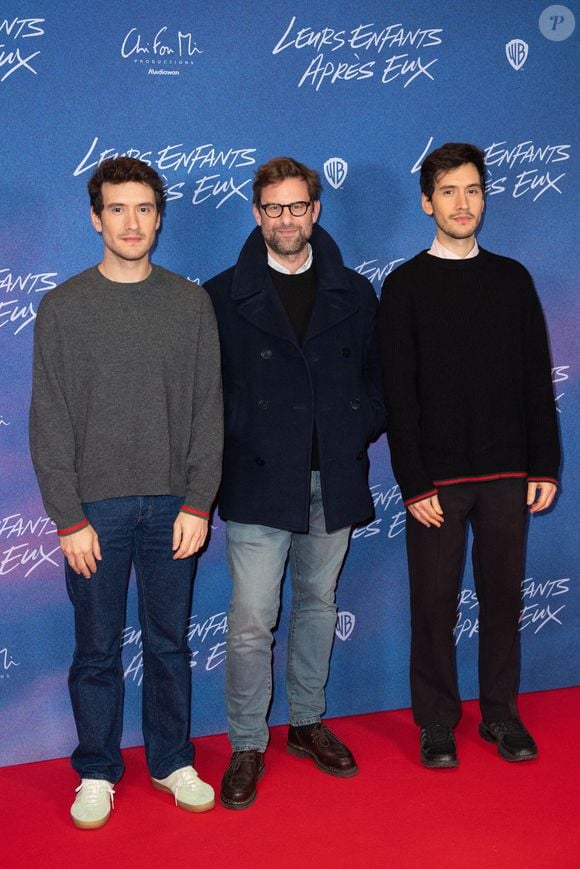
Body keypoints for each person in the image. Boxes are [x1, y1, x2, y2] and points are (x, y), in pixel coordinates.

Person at [29, 157, 223, 828]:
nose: (131, 221)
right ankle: (96, 768)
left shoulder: (190, 303)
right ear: (96, 217)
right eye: (117, 208)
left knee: (169, 641)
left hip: (174, 506)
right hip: (94, 514)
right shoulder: (62, 307)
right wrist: (67, 517)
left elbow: (207, 411)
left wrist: (199, 502)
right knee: (97, 647)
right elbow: (48, 418)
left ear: (160, 215)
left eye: (143, 208)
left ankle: (171, 759)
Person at [205, 156, 385, 809]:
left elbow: (376, 378)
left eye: (297, 206)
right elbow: (209, 394)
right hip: (258, 481)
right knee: (252, 617)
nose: (286, 218)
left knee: (317, 604)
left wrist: (358, 425)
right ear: (258, 214)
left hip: (331, 477)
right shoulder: (222, 294)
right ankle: (248, 743)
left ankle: (307, 722)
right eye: (273, 208)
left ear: (315, 211)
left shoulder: (356, 292)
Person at [379, 142, 560, 769]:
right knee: (432, 605)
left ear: (485, 198)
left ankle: (501, 715)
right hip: (437, 483)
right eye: (450, 191)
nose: (463, 203)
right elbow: (397, 397)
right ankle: (435, 721)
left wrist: (544, 465)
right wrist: (414, 482)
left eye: (473, 190)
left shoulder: (512, 279)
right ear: (428, 202)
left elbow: (538, 377)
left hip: (509, 473)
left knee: (504, 599)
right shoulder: (404, 286)